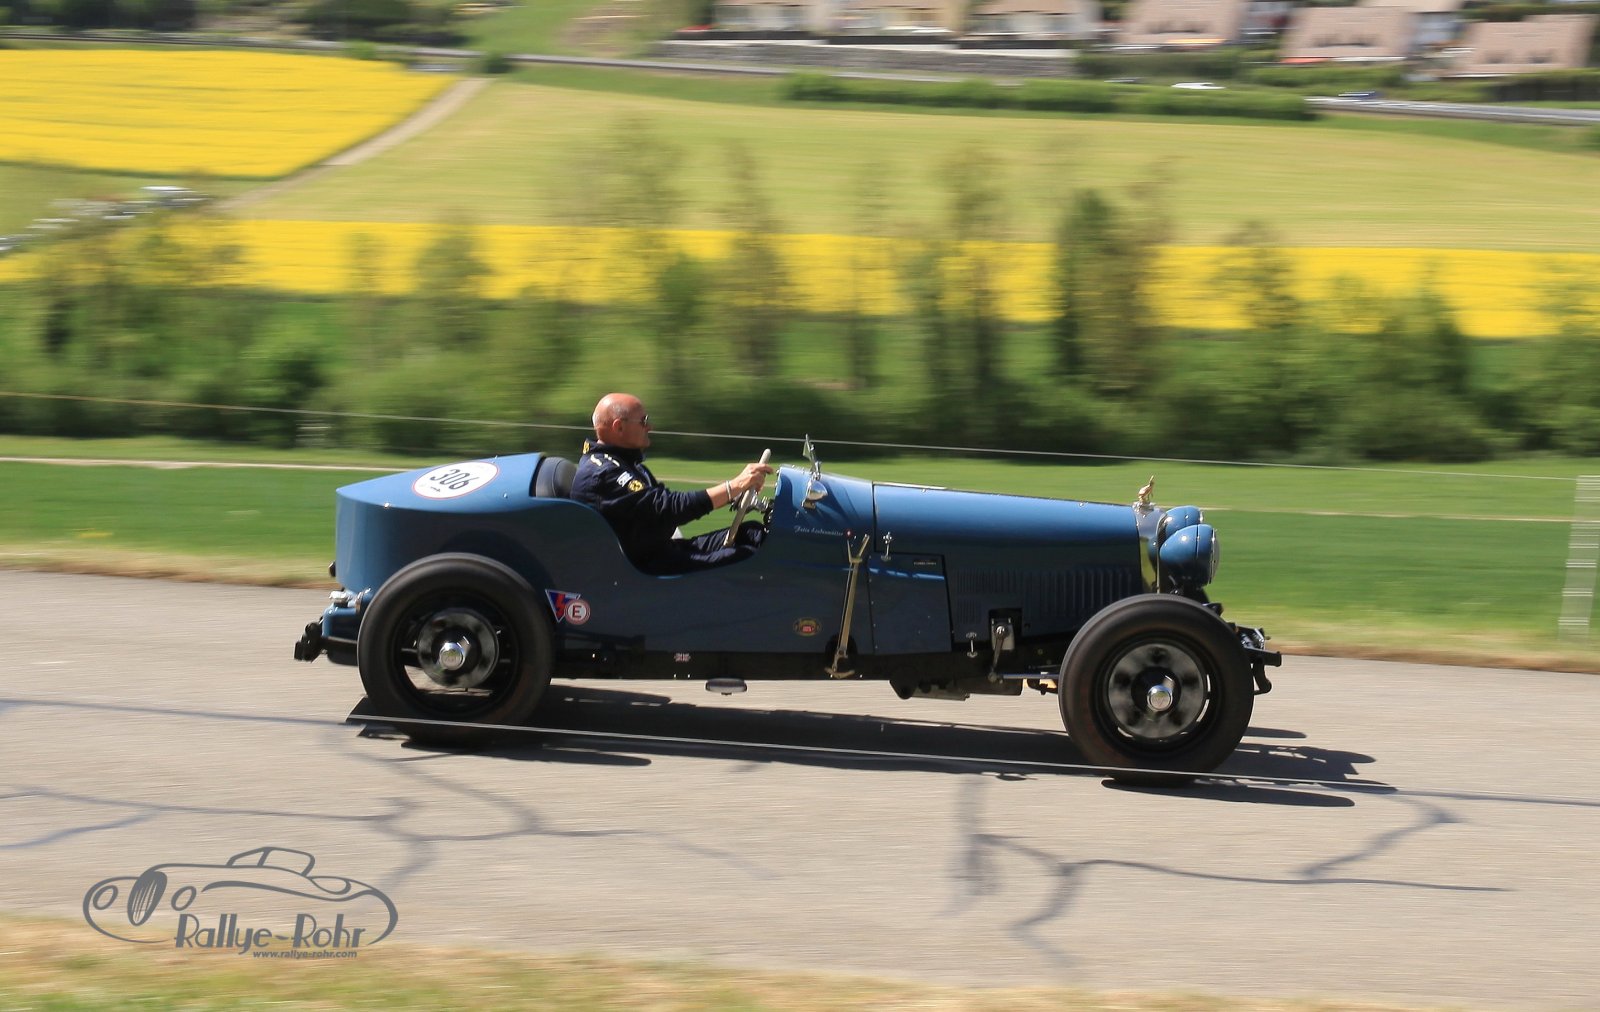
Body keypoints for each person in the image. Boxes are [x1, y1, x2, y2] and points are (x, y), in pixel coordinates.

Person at [571, 393, 774, 575]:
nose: (649, 427)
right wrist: (734, 486)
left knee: (753, 535)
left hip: (662, 551)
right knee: (749, 558)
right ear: (619, 427)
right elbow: (668, 509)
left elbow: (664, 503)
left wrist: (734, 493)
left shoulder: (624, 464)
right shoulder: (604, 473)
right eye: (643, 421)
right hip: (645, 568)